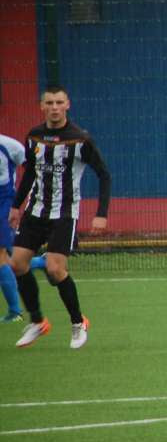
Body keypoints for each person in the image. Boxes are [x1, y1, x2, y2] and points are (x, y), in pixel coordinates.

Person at [8, 85, 111, 348]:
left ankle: (78, 323)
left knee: (55, 269)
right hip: (35, 210)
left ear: (68, 105)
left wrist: (101, 214)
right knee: (17, 264)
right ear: (42, 106)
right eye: (49, 102)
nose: (54, 107)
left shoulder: (80, 139)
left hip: (65, 213)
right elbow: (30, 172)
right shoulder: (35, 136)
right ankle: (38, 322)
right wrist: (16, 206)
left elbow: (104, 174)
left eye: (59, 102)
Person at [1, 133, 26, 323]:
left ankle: (15, 311)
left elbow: (32, 169)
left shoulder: (10, 146)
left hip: (4, 203)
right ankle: (43, 263)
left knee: (1, 257)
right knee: (10, 259)